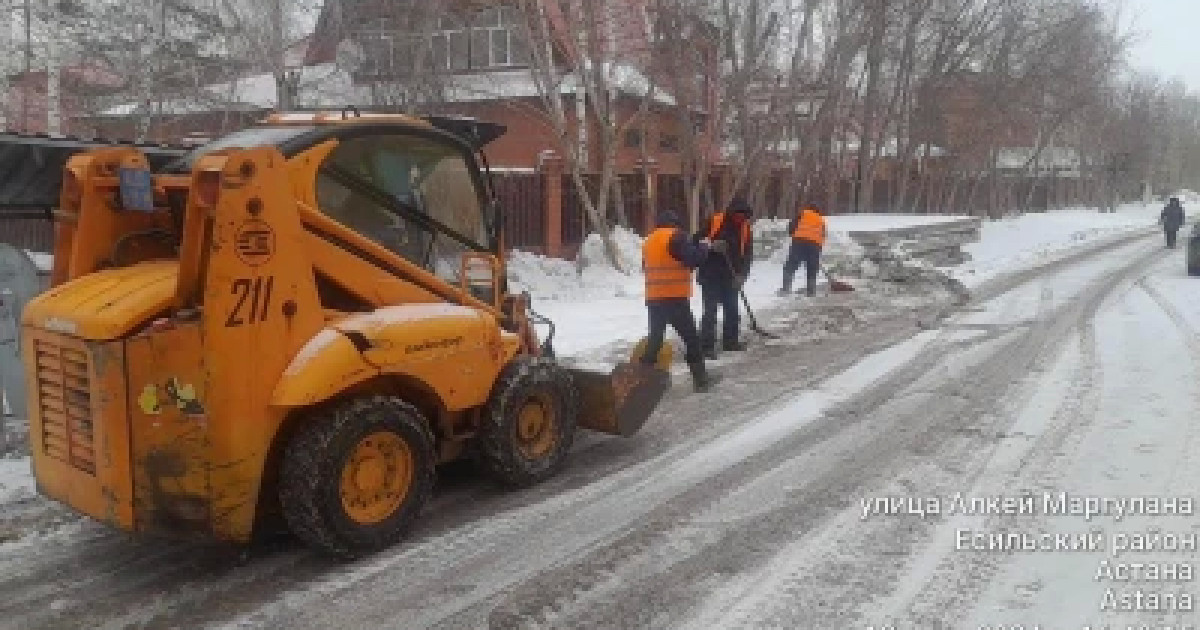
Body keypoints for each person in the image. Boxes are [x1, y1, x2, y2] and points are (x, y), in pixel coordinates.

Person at [641, 210, 720, 392]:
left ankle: (641, 381)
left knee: (655, 339)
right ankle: (701, 381)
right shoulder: (677, 236)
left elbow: (653, 265)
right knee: (692, 339)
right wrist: (705, 246)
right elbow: (695, 259)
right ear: (675, 223)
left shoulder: (649, 240)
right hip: (674, 298)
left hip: (654, 298)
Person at [695, 197, 755, 359]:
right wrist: (711, 245)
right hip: (710, 275)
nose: (740, 218)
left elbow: (748, 255)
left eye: (743, 216)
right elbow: (695, 241)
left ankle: (730, 342)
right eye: (737, 215)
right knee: (710, 311)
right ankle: (706, 346)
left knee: (732, 309)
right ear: (731, 213)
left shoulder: (746, 230)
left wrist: (742, 275)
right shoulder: (715, 222)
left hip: (731, 276)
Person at [779, 204, 827, 297]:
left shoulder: (802, 214)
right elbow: (823, 235)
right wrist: (817, 251)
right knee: (812, 268)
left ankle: (785, 288)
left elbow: (791, 226)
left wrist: (793, 236)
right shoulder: (821, 220)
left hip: (799, 242)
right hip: (814, 245)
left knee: (791, 265)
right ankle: (811, 291)